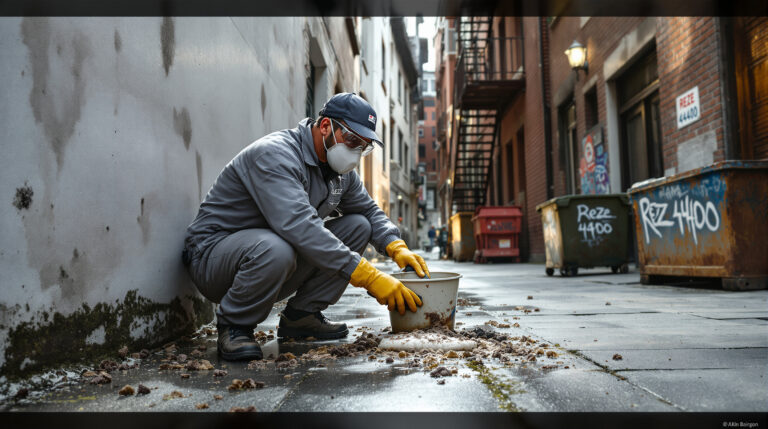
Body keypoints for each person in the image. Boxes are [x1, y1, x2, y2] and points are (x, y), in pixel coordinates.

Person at [182, 93, 429, 361]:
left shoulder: (340, 173)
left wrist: (396, 245)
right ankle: (235, 325)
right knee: (277, 248)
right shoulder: (275, 154)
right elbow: (300, 226)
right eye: (352, 140)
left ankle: (301, 317)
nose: (356, 152)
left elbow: (368, 210)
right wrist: (369, 277)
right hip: (213, 259)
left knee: (358, 225)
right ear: (325, 127)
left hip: (268, 254)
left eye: (364, 146)